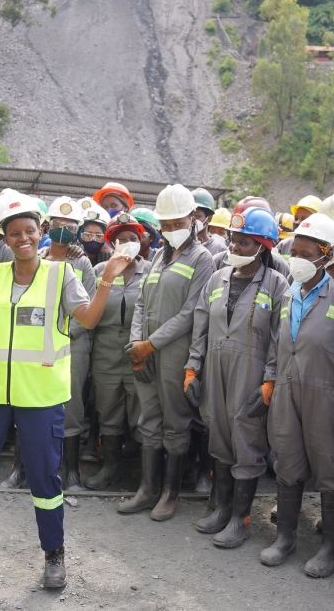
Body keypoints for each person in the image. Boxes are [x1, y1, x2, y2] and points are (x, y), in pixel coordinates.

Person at [0, 193, 130, 588]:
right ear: (5, 236)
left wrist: (107, 279)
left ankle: (54, 554)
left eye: (30, 231)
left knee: (45, 479)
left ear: (41, 232)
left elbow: (87, 317)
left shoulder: (61, 275)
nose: (23, 239)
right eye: (15, 233)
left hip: (40, 397)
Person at [257, 214, 334, 573]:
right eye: (295, 252)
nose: (297, 259)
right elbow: (277, 344)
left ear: (327, 255)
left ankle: (330, 547)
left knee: (331, 467)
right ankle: (285, 539)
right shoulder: (289, 294)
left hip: (327, 395)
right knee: (287, 460)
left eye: (306, 254)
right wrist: (270, 378)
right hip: (287, 391)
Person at [184, 207, 289, 548]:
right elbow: (200, 327)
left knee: (246, 440)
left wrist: (270, 380)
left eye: (244, 242)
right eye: (233, 240)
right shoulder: (217, 279)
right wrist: (192, 368)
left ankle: (239, 520)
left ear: (262, 246)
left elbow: (279, 338)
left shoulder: (277, 284)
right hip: (215, 369)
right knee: (218, 433)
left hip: (251, 373)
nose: (235, 247)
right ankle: (222, 508)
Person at [119, 184, 216, 521]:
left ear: (193, 220)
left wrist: (150, 345)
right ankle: (147, 489)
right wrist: (136, 345)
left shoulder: (203, 260)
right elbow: (141, 303)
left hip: (174, 354)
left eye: (179, 223)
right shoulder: (159, 257)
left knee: (176, 422)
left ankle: (169, 494)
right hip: (144, 353)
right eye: (166, 224)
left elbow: (191, 313)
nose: (172, 229)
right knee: (149, 419)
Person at [85, 212, 152, 489]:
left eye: (132, 238)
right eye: (121, 239)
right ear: (112, 243)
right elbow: (89, 311)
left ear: (142, 241)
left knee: (142, 411)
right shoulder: (100, 271)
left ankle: (144, 476)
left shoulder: (152, 271)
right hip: (105, 350)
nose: (127, 243)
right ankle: (110, 469)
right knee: (108, 409)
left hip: (140, 350)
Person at [40, 197, 97, 490]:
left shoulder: (82, 262)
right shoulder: (37, 257)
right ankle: (26, 467)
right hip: (38, 342)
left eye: (70, 226)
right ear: (47, 226)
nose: (63, 229)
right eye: (58, 224)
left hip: (74, 342)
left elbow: (89, 305)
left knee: (72, 403)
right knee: (36, 399)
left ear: (77, 231)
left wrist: (64, 332)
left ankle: (72, 470)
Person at [191, 188, 226, 255]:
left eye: (197, 216)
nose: (192, 219)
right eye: (189, 215)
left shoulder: (219, 249)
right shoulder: (180, 245)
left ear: (209, 219)